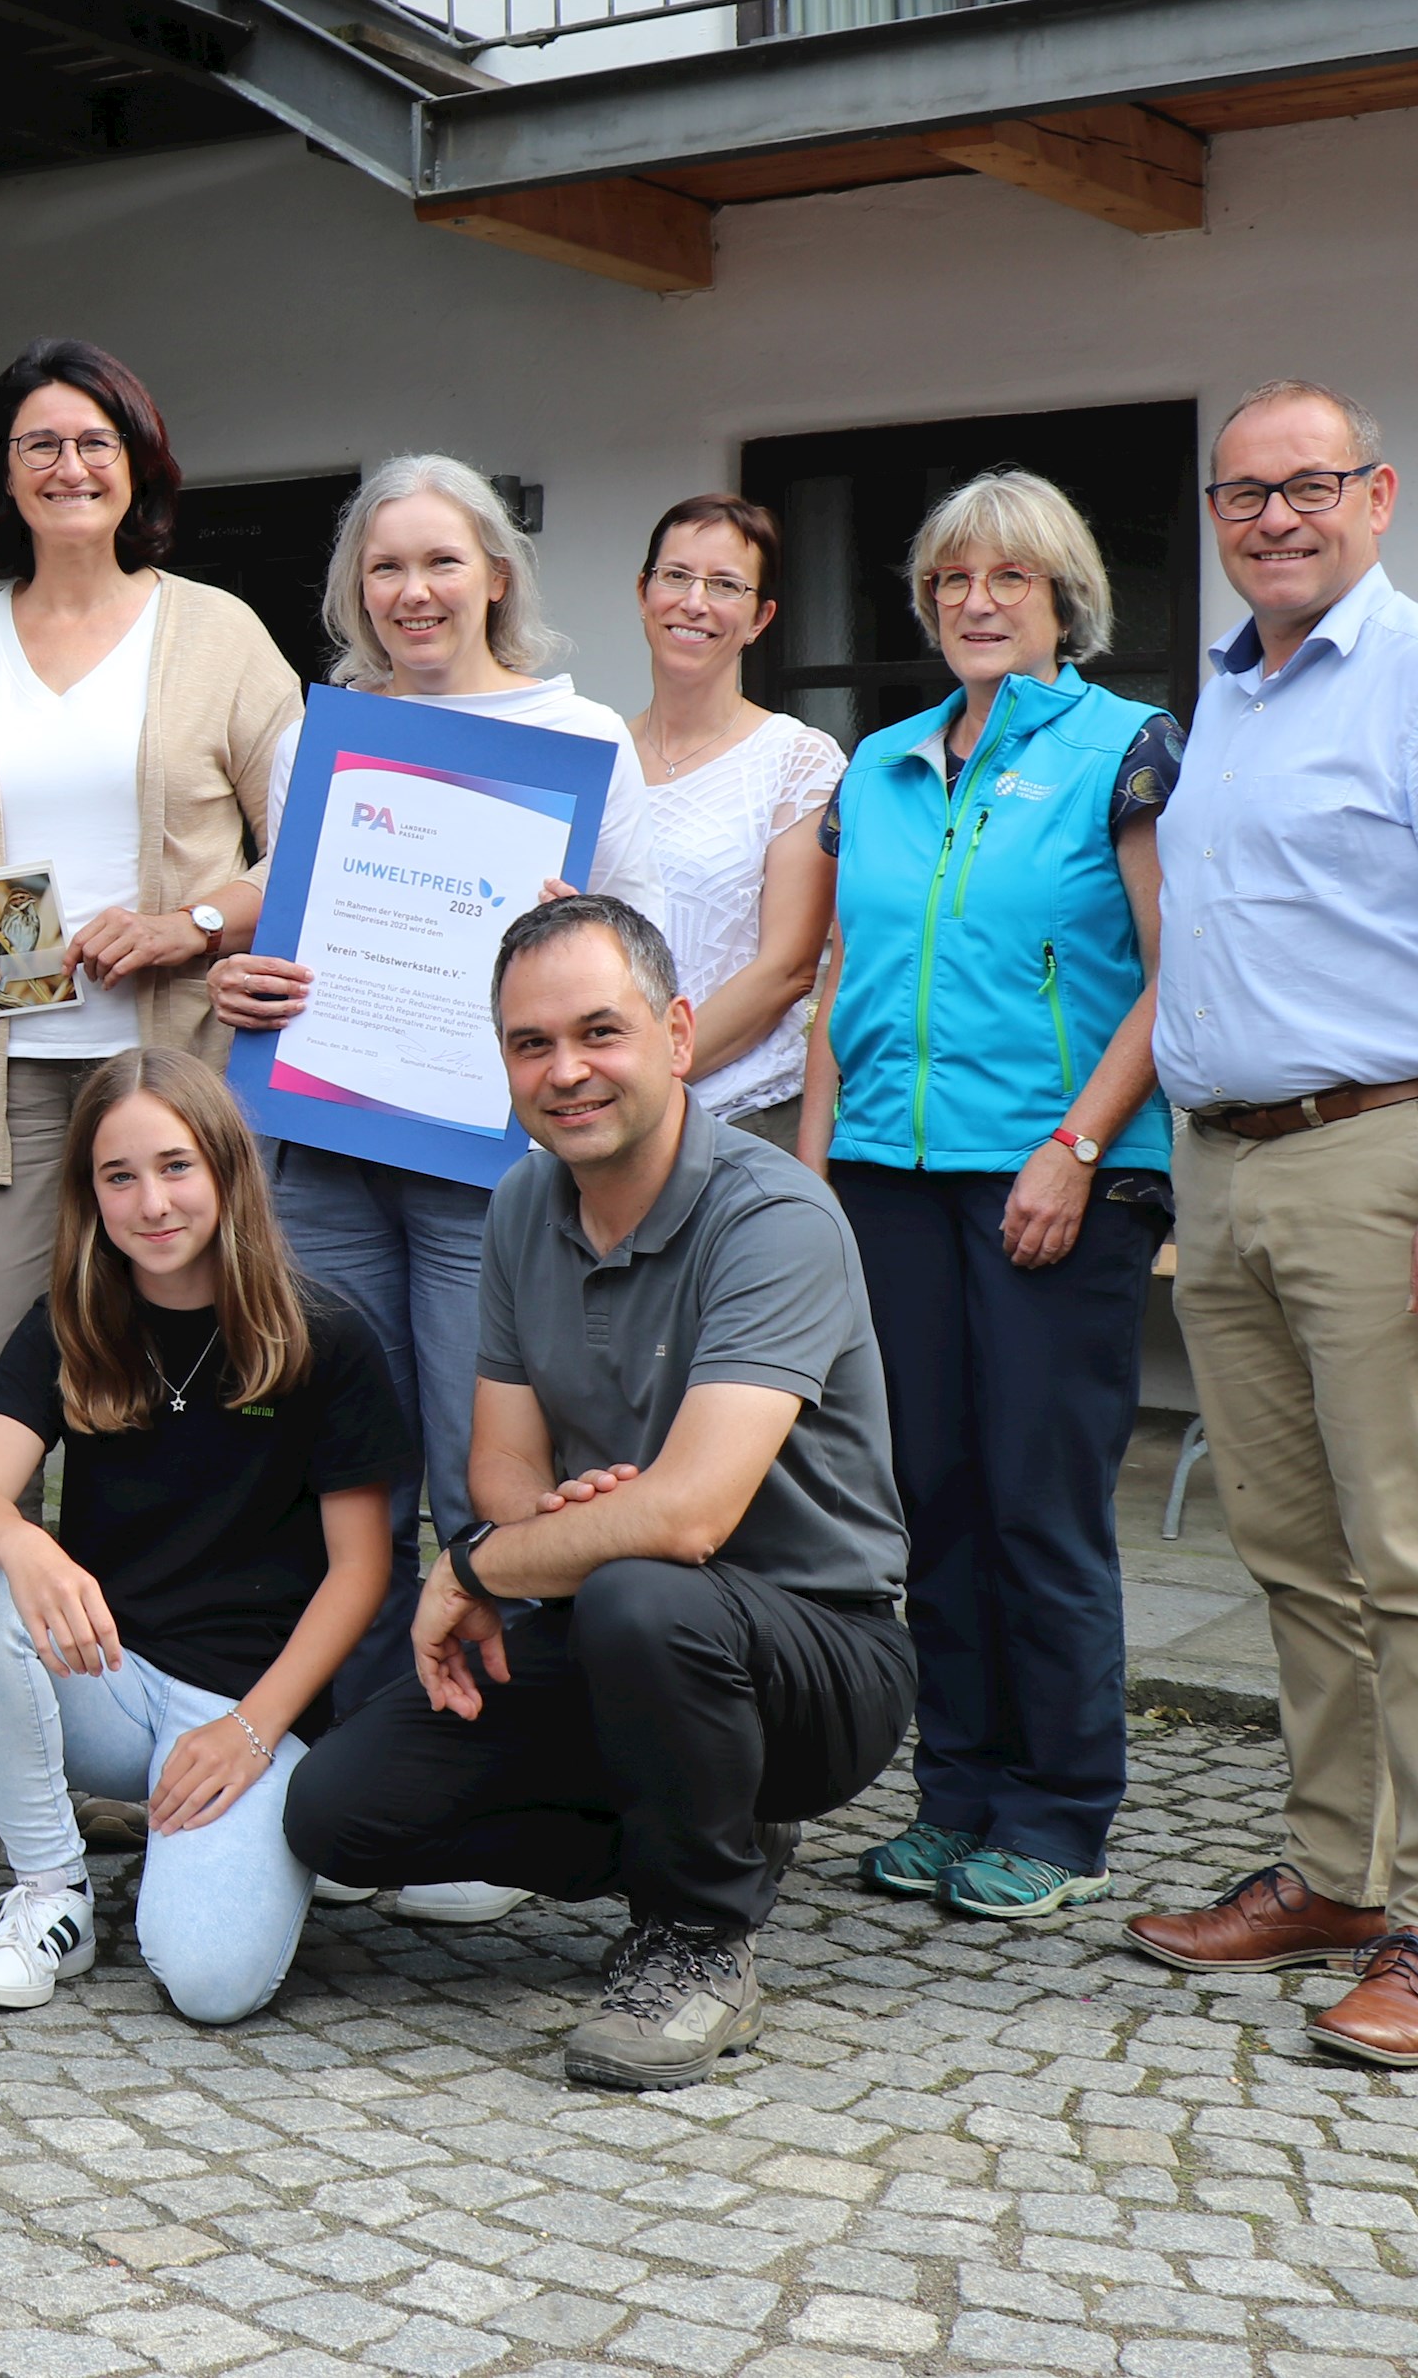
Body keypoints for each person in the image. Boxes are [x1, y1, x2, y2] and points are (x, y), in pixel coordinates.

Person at [281, 897, 914, 2091]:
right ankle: (698, 1835)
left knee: (638, 1587)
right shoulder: (524, 1201)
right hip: (614, 1622)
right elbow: (500, 1468)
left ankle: (698, 1941)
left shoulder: (773, 1216)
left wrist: (474, 1569)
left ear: (677, 1034)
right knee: (338, 1815)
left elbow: (685, 1518)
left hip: (817, 1658)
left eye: (598, 1032)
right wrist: (569, 1525)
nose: (565, 1071)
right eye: (530, 1043)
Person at [1124, 381, 1418, 2069]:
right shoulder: (1228, 695)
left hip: (1389, 1164)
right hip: (1228, 1168)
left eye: (1308, 488)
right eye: (1242, 496)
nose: (1275, 520)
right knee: (1297, 1555)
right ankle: (1330, 1869)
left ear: (1376, 495)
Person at [0, 342, 294, 1844]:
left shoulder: (221, 635)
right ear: (2, 475)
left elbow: (306, 842)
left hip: (168, 1077)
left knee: (168, 1380)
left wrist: (196, 924)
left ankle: (149, 1706)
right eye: (38, 444)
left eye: (94, 441)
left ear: (137, 462)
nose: (67, 466)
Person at [206, 459, 666, 1765]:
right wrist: (237, 976)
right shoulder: (320, 737)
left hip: (497, 1163)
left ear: (497, 573)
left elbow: (640, 956)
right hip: (327, 1144)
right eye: (387, 565)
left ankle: (498, 1750)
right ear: (358, 586)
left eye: (441, 560)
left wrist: (564, 938)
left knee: (488, 1467)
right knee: (337, 1456)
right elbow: (289, 924)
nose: (414, 590)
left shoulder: (582, 738)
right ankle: (354, 1750)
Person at [795, 470, 1177, 1925]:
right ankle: (954, 1790)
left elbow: (1171, 967)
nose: (977, 600)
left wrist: (1076, 1146)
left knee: (1038, 1500)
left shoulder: (1124, 749)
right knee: (930, 1499)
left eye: (1009, 577)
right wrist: (818, 1181)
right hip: (890, 1180)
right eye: (953, 578)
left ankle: (1060, 1807)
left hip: (1057, 1180)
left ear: (1063, 596)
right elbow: (844, 987)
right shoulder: (878, 766)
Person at [0, 1048, 401, 2021]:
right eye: (118, 1175)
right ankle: (53, 1892)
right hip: (110, 1681)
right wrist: (25, 1544)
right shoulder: (71, 1320)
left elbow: (361, 1571)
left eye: (175, 1166)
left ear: (225, 1168)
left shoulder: (324, 1336)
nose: (151, 1201)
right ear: (89, 1193)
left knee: (213, 1983)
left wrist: (253, 1728)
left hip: (247, 1701)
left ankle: (260, 1840)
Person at [624, 494, 844, 1153]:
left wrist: (644, 1074)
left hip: (737, 1123)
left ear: (760, 617)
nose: (695, 602)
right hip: (604, 1126)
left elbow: (788, 968)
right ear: (643, 593)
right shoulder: (597, 752)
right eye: (676, 576)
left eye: (725, 585)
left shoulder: (797, 759)